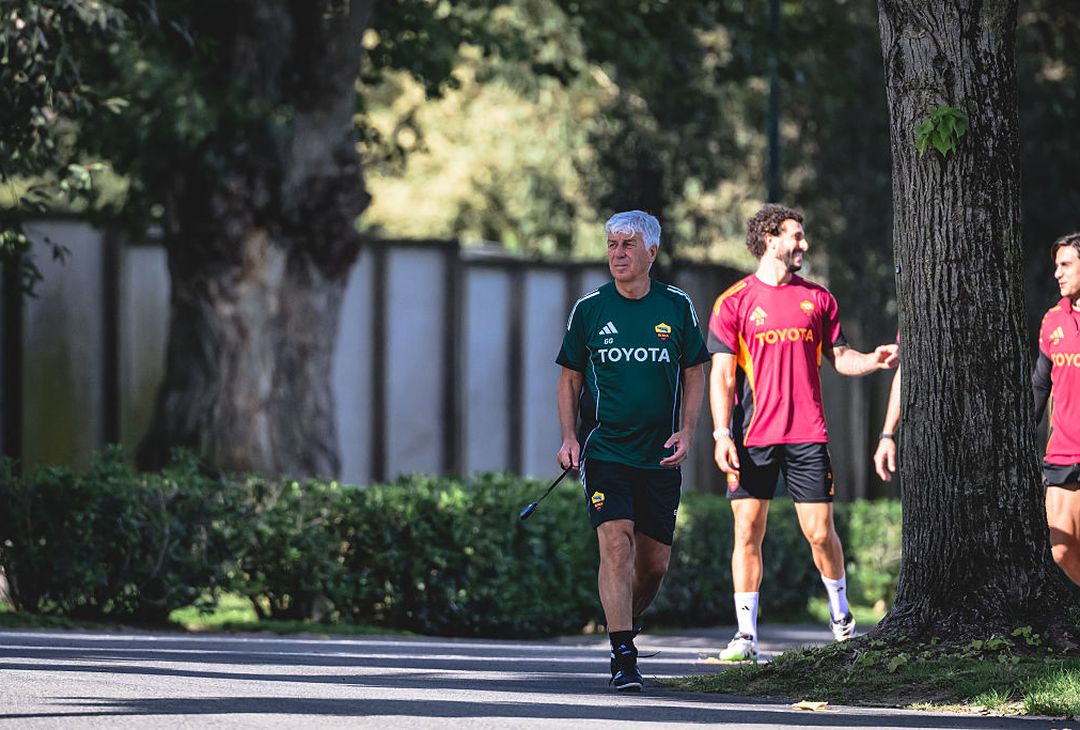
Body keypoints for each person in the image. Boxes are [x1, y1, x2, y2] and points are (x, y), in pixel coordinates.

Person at [708, 203, 898, 662]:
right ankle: (746, 637)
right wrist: (720, 433)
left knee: (819, 533)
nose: (803, 245)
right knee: (747, 531)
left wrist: (872, 360)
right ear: (770, 238)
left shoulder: (819, 299)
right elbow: (722, 376)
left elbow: (841, 356)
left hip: (807, 436)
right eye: (797, 236)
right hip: (752, 437)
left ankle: (841, 618)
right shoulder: (733, 302)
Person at [556, 210, 708, 691]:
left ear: (651, 253)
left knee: (654, 563)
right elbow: (569, 379)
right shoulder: (589, 309)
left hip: (659, 455)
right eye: (611, 245)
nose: (617, 254)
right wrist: (569, 438)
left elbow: (695, 371)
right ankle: (623, 654)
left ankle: (622, 618)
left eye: (627, 245)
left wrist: (687, 430)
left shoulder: (677, 306)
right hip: (606, 453)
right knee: (615, 540)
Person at [1032, 232, 1080, 586]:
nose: (1057, 274)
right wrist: (1019, 434)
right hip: (1061, 452)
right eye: (1056, 266)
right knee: (1060, 551)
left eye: (1066, 265)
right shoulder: (1052, 320)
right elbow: (1040, 384)